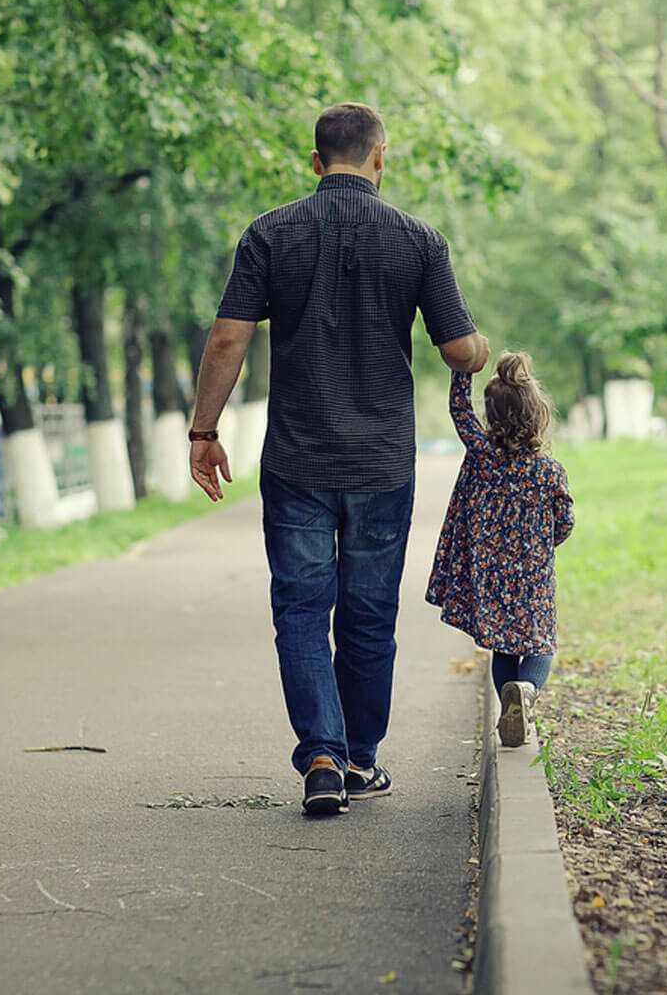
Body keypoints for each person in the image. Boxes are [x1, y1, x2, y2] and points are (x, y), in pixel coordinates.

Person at [188, 102, 490, 816]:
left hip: (297, 458)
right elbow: (457, 348)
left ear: (316, 161)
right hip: (383, 461)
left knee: (299, 607)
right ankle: (359, 758)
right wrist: (479, 351)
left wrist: (204, 432)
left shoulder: (269, 234)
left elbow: (230, 338)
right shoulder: (418, 240)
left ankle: (320, 756)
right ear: (379, 158)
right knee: (367, 612)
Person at [426, 353, 574, 747]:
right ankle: (526, 692)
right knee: (541, 643)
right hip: (533, 574)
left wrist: (463, 360)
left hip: (491, 573)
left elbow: (459, 408)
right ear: (538, 415)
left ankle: (510, 701)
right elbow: (565, 522)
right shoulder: (549, 470)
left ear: (491, 416)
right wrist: (544, 543)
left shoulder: (482, 456)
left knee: (503, 645)